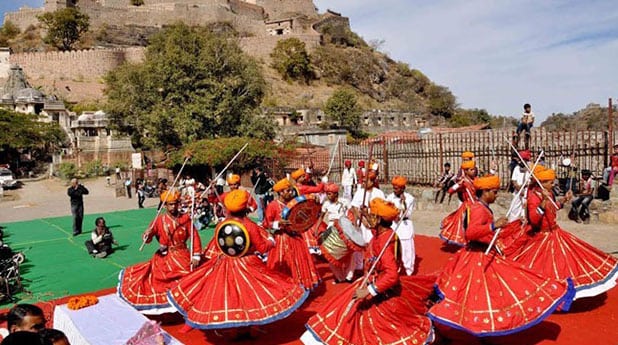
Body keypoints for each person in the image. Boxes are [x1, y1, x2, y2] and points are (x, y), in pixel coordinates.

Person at [428, 175, 574, 340]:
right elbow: (470, 233)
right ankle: (465, 327)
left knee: (482, 294)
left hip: (484, 253)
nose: (497, 196)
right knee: (475, 295)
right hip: (477, 257)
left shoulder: (480, 207)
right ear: (485, 192)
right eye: (495, 192)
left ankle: (475, 327)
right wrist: (493, 225)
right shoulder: (479, 209)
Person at [167, 189, 309, 335]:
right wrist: (271, 241)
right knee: (250, 295)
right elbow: (262, 248)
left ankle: (229, 325)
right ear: (245, 208)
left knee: (223, 293)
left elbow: (218, 245)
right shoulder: (250, 225)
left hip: (224, 263)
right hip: (247, 264)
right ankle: (246, 326)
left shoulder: (222, 225)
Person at [301, 198, 436, 345]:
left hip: (380, 288)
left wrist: (369, 291)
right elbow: (370, 226)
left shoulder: (386, 241)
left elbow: (391, 275)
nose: (369, 218)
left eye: (372, 215)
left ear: (378, 219)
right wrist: (363, 214)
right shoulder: (381, 232)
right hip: (369, 280)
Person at [509, 167, 618, 300]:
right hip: (541, 237)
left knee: (562, 264)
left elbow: (554, 207)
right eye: (550, 182)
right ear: (541, 183)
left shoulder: (549, 193)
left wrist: (564, 200)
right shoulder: (533, 197)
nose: (553, 184)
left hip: (555, 233)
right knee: (544, 267)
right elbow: (534, 219)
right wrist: (543, 202)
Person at [118, 189, 202, 314]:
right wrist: (147, 235)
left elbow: (194, 236)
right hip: (165, 255)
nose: (173, 207)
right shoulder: (159, 220)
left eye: (175, 204)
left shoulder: (185, 219)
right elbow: (149, 236)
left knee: (190, 275)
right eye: (170, 204)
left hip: (182, 254)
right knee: (157, 279)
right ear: (165, 205)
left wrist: (196, 256)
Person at [264, 178, 321, 290]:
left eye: (291, 190)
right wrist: (278, 223)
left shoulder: (294, 203)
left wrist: (315, 199)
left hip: (296, 238)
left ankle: (300, 288)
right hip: (281, 240)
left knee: (300, 263)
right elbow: (266, 224)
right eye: (287, 191)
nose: (290, 193)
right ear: (280, 192)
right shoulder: (273, 205)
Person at [319, 183, 354, 283]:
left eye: (330, 194)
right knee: (330, 254)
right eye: (327, 194)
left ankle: (349, 276)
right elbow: (321, 217)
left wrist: (355, 222)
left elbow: (353, 211)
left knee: (349, 254)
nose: (328, 196)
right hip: (331, 229)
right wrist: (317, 229)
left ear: (336, 194)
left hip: (344, 227)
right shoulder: (326, 204)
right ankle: (339, 277)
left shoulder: (344, 202)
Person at [439, 160, 477, 246]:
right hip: (468, 207)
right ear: (466, 171)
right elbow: (450, 190)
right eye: (471, 170)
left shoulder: (475, 180)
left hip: (476, 205)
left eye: (474, 169)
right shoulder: (463, 181)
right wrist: (458, 185)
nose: (474, 171)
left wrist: (492, 171)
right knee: (468, 225)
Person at [386, 176, 415, 275]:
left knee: (407, 250)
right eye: (393, 187)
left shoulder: (410, 198)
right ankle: (395, 270)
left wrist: (404, 203)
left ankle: (408, 271)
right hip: (393, 226)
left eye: (396, 188)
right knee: (393, 249)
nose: (394, 190)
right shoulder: (389, 197)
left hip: (405, 227)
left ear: (402, 188)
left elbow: (407, 214)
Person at [507, 149, 531, 222]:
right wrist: (519, 189)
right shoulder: (517, 168)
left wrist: (525, 189)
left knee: (525, 209)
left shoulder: (530, 169)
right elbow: (514, 181)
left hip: (527, 192)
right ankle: (513, 223)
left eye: (521, 160)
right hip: (518, 192)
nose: (519, 162)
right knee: (514, 208)